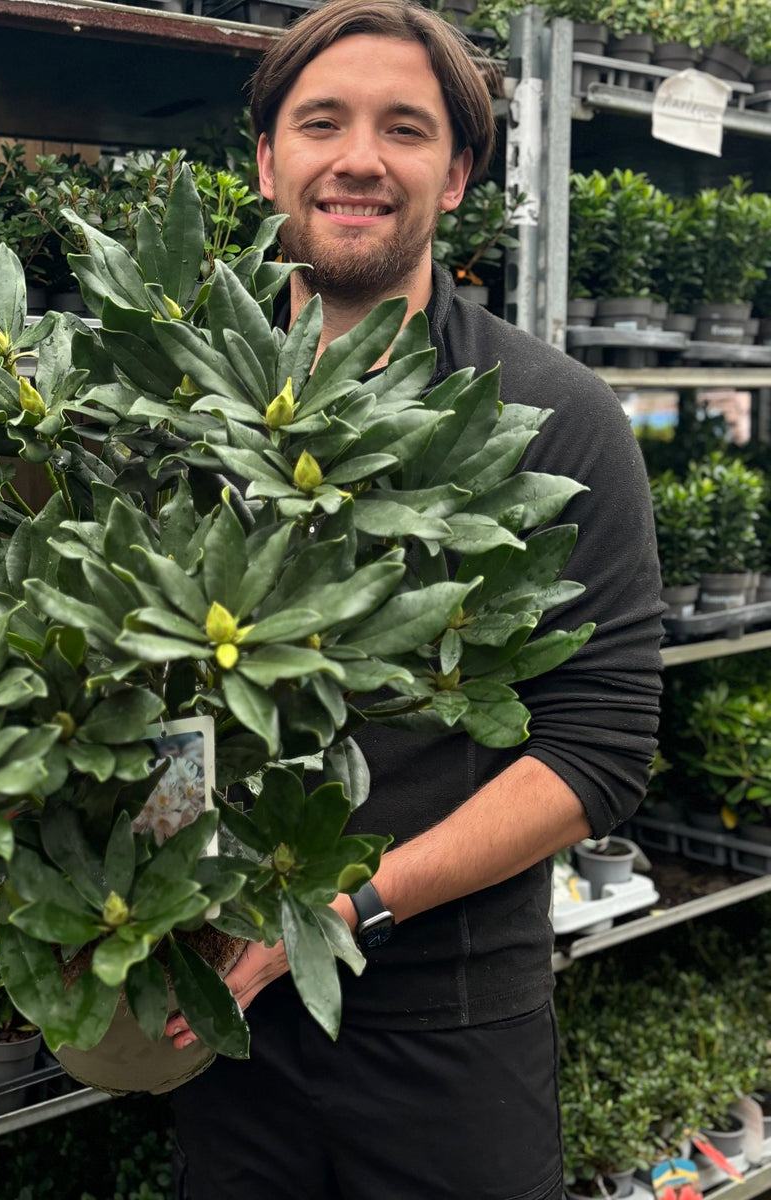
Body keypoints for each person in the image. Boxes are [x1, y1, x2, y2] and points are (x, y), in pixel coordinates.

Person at [164, 2, 665, 1197]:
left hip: (447, 1024)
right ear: (266, 160)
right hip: (219, 1012)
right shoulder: (169, 416)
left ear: (454, 177)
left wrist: (349, 911)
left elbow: (599, 750)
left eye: (405, 129)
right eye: (321, 121)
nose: (358, 159)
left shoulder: (557, 419)